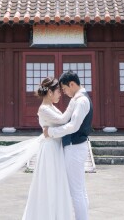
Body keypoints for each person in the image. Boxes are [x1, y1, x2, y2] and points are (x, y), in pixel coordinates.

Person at [22, 77, 75, 220]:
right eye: (58, 91)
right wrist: (74, 103)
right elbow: (63, 120)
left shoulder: (52, 107)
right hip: (50, 150)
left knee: (57, 183)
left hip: (55, 148)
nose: (60, 94)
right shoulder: (44, 109)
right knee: (50, 184)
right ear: (50, 92)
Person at [44, 70, 93, 220]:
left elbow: (73, 126)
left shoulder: (81, 101)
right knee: (80, 190)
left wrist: (51, 132)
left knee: (76, 192)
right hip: (76, 147)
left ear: (72, 84)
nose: (64, 92)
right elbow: (64, 118)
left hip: (75, 148)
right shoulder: (77, 99)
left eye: (64, 88)